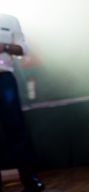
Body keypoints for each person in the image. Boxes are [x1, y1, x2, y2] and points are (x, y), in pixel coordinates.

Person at [0, 14, 45, 192]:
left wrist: (5, 46)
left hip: (4, 79)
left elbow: (23, 48)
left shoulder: (9, 20)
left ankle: (29, 179)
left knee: (16, 130)